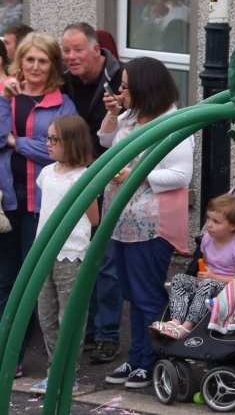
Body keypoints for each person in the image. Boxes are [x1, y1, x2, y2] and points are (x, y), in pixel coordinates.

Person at [99, 56, 194, 389]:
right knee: (131, 293)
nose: (120, 91)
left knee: (147, 295)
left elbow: (181, 175)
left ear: (144, 87)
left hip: (152, 225)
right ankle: (136, 356)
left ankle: (151, 359)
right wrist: (113, 113)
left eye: (126, 86)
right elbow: (105, 141)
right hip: (123, 222)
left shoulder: (173, 124)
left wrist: (136, 176)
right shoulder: (131, 116)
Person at [0, 32, 77, 379]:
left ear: (53, 66)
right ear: (20, 61)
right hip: (6, 198)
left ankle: (36, 355)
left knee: (34, 281)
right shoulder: (7, 96)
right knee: (5, 279)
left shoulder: (63, 104)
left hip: (41, 202)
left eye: (42, 61)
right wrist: (5, 105)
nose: (34, 66)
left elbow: (61, 151)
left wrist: (15, 142)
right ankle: (7, 356)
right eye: (29, 59)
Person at [61, 22, 124, 364]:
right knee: (76, 256)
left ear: (96, 50)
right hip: (73, 176)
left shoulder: (120, 78)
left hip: (107, 176)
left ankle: (107, 334)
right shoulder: (63, 79)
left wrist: (120, 109)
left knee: (105, 260)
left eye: (77, 50)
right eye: (66, 51)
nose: (70, 57)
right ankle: (84, 331)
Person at [29, 115, 100, 394]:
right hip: (44, 251)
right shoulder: (47, 173)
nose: (47, 143)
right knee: (46, 315)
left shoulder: (83, 177)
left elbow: (94, 219)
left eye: (53, 139)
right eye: (47, 137)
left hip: (71, 253)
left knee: (68, 316)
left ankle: (67, 374)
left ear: (71, 142)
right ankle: (53, 371)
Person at [149, 194, 235, 339]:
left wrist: (212, 276)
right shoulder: (207, 239)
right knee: (179, 279)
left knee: (207, 284)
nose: (209, 224)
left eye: (216, 221)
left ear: (233, 226)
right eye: (208, 218)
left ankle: (187, 326)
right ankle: (175, 321)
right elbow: (206, 263)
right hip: (207, 282)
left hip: (227, 290)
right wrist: (203, 275)